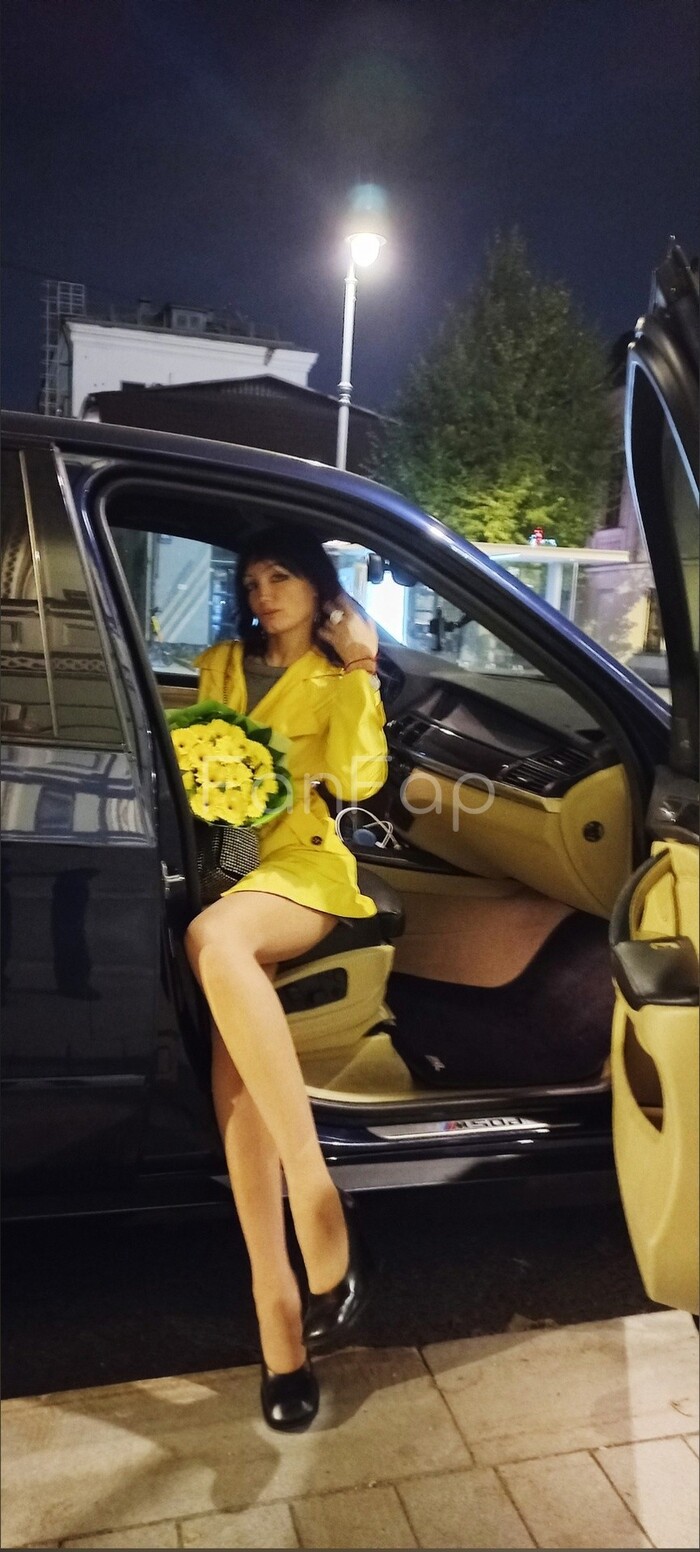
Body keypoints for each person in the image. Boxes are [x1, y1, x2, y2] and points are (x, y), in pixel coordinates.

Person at [185, 522, 387, 1431]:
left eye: (282, 577)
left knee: (215, 942)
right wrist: (221, 785)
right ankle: (279, 1323)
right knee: (235, 1069)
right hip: (231, 864)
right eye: (252, 580)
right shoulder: (221, 665)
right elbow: (199, 771)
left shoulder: (338, 678)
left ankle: (312, 1186)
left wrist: (364, 669)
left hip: (303, 869)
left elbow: (358, 779)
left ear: (317, 588)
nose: (264, 594)